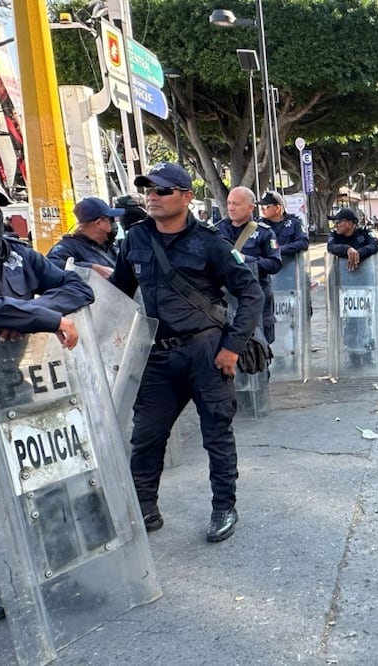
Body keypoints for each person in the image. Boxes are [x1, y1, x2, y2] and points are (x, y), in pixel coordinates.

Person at [110, 162, 264, 543]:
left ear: (186, 197)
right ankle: (144, 509)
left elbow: (251, 293)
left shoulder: (210, 242)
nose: (152, 197)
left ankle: (223, 507)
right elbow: (118, 291)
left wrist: (232, 348)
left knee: (216, 433)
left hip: (205, 353)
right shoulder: (135, 239)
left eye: (162, 190)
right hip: (158, 356)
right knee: (146, 436)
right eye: (148, 190)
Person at [0, 185, 94, 624]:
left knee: (44, 477)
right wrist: (41, 318)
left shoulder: (17, 256)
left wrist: (28, 314)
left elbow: (77, 288)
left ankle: (59, 570)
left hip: (12, 383)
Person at [217, 186, 282, 343]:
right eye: (229, 203)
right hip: (225, 300)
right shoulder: (216, 231)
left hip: (255, 298)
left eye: (236, 204)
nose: (231, 208)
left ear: (251, 207)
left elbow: (274, 264)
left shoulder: (264, 232)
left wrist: (246, 260)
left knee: (259, 344)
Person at [326, 208, 378, 366]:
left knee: (364, 319)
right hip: (344, 286)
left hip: (364, 285)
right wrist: (347, 249)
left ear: (351, 224)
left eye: (339, 222)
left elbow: (376, 245)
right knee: (349, 320)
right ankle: (353, 355)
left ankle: (367, 353)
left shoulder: (365, 233)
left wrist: (358, 253)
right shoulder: (335, 236)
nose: (336, 225)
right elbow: (331, 247)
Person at [46, 197, 123, 277]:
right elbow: (50, 266)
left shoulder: (108, 246)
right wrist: (90, 268)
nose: (114, 224)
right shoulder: (69, 247)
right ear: (98, 223)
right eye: (111, 220)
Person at [256, 190, 309, 259]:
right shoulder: (259, 225)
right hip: (266, 263)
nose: (262, 210)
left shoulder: (295, 222)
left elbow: (303, 243)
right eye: (261, 207)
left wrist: (278, 250)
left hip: (288, 262)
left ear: (278, 208)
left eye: (265, 207)